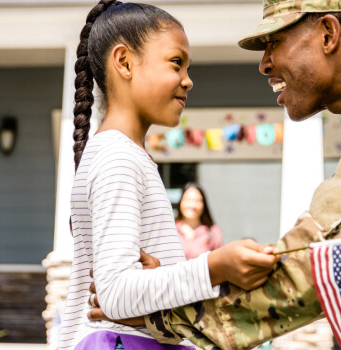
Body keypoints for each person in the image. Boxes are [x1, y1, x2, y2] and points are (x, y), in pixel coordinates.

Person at [86, 0, 341, 348]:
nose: (264, 64)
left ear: (328, 34)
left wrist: (163, 314)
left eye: (275, 42)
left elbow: (319, 262)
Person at [58, 1, 280, 349]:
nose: (188, 81)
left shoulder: (127, 155)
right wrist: (215, 267)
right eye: (177, 63)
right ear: (125, 62)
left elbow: (128, 290)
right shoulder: (118, 157)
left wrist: (163, 277)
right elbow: (114, 295)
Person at [175, 183, 223, 259]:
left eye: (197, 201)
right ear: (180, 202)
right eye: (187, 200)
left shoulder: (213, 232)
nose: (192, 205)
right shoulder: (170, 230)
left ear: (204, 204)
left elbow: (219, 262)